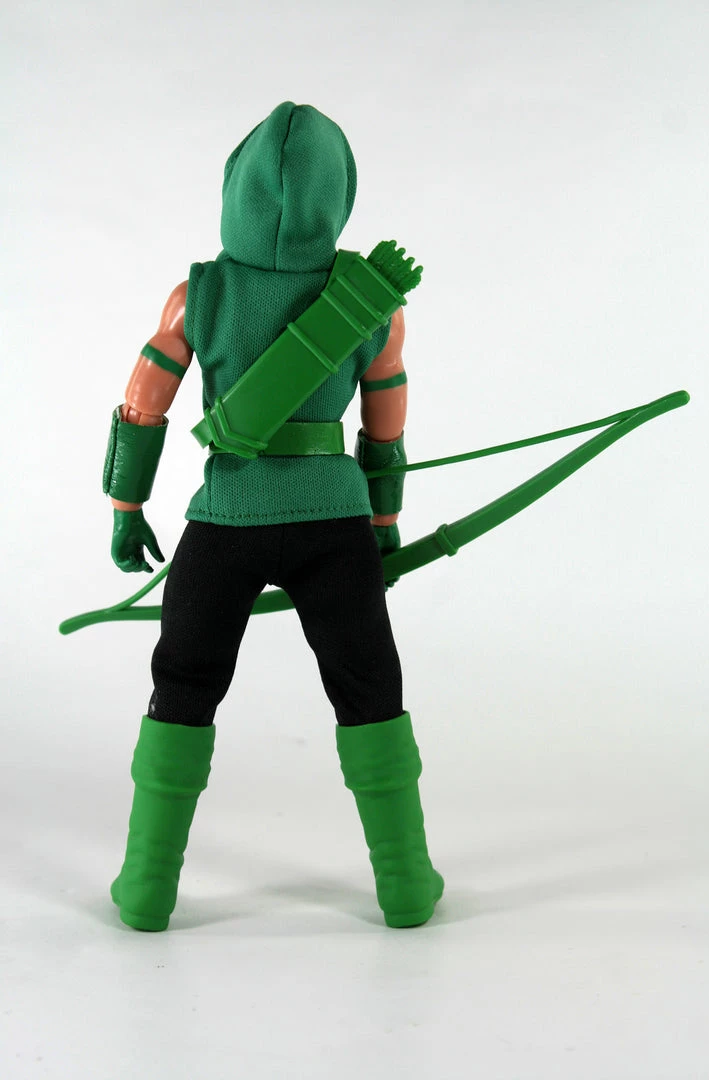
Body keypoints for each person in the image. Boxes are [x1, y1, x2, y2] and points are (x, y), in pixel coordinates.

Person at [104, 102, 443, 932]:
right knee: (370, 686)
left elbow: (143, 405)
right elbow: (386, 423)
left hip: (226, 520)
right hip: (336, 523)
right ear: (340, 194)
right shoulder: (373, 302)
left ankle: (146, 886)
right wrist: (385, 522)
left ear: (236, 190)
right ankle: (405, 882)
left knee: (183, 685)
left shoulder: (198, 296)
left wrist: (126, 504)